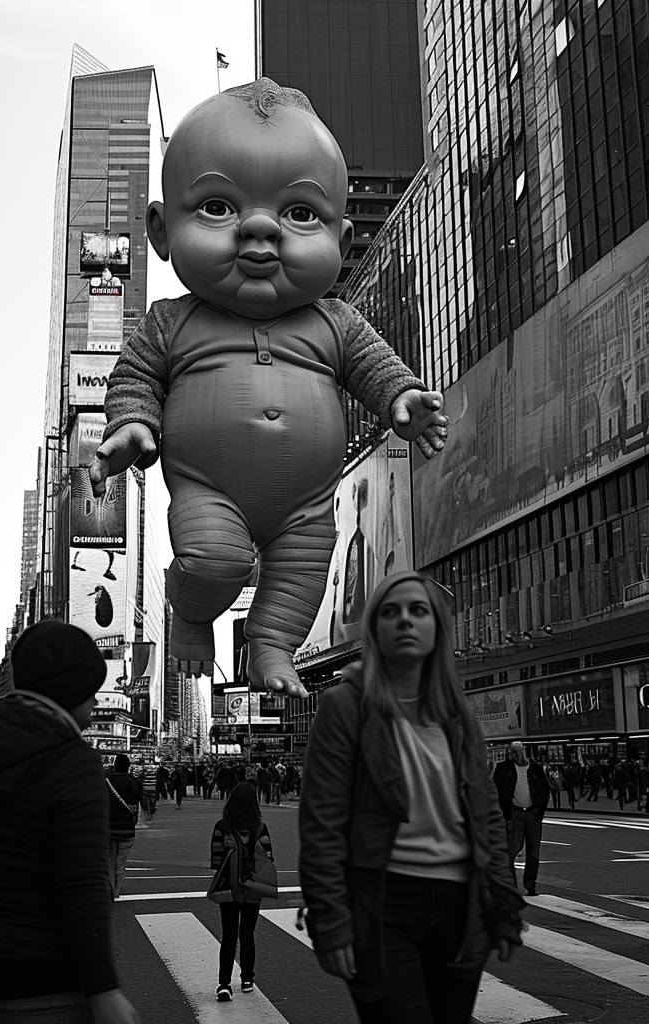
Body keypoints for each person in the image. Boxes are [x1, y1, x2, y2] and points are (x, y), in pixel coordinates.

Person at [90, 78, 448, 699]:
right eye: (218, 207)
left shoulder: (335, 321)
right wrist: (131, 425)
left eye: (300, 214)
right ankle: (192, 615)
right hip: (208, 488)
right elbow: (135, 377)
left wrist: (403, 401)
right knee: (213, 560)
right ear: (160, 230)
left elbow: (374, 366)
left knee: (303, 574)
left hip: (307, 500)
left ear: (339, 240)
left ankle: (272, 647)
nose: (260, 231)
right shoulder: (173, 321)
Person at [299, 571, 524, 1024]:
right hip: (383, 905)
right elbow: (322, 823)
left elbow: (487, 819)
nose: (404, 620)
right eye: (390, 611)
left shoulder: (457, 715)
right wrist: (330, 918)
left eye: (417, 611)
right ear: (375, 631)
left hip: (461, 908)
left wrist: (503, 904)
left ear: (436, 628)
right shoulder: (345, 706)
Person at [0, 619, 140, 1024]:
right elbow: (82, 885)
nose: (91, 710)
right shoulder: (73, 761)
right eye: (90, 693)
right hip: (41, 980)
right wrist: (104, 990)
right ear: (70, 691)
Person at [209, 782, 275, 1002]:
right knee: (247, 933)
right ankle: (247, 979)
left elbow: (216, 860)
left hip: (229, 887)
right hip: (252, 888)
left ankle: (224, 984)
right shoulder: (260, 827)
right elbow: (268, 858)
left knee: (229, 935)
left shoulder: (222, 826)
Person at [494, 740, 550, 897]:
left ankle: (530, 884)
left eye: (518, 751)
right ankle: (511, 884)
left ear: (523, 751)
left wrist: (539, 812)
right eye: (513, 751)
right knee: (512, 851)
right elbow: (495, 791)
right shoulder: (503, 768)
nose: (516, 754)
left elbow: (545, 790)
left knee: (533, 853)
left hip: (532, 815)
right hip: (514, 815)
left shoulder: (535, 769)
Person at [105, 753, 140, 899]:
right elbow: (136, 805)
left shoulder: (105, 782)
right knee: (120, 862)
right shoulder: (133, 782)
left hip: (108, 828)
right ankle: (117, 890)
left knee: (109, 861)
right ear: (128, 766)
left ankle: (110, 889)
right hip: (127, 829)